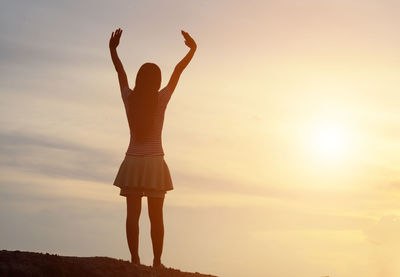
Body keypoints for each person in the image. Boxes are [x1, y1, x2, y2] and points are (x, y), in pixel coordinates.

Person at [109, 28, 197, 268]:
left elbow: (120, 71)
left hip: (133, 162)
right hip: (155, 162)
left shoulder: (129, 98)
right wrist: (193, 49)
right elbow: (178, 71)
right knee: (156, 218)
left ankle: (135, 260)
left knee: (132, 216)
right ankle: (157, 262)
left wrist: (113, 50)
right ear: (157, 81)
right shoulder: (161, 99)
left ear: (139, 80)